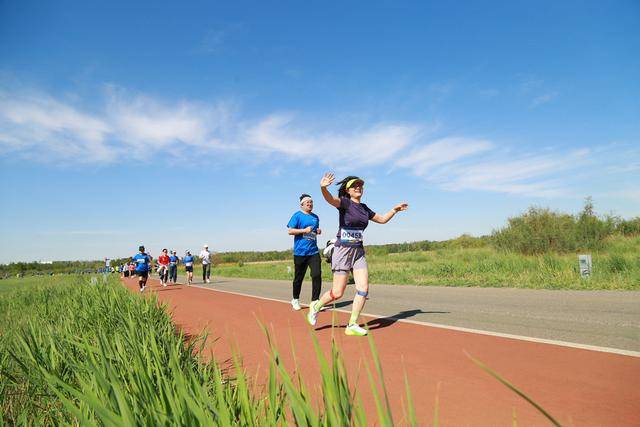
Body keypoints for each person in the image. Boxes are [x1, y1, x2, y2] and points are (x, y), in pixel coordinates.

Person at [307, 173, 408, 336]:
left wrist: (394, 210)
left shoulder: (364, 208)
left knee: (363, 289)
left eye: (360, 185)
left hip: (358, 252)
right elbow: (331, 200)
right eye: (355, 185)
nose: (358, 187)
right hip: (343, 251)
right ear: (348, 190)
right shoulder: (345, 203)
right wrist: (323, 188)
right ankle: (316, 306)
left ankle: (352, 324)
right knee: (337, 293)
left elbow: (382, 220)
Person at [287, 193, 322, 311]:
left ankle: (315, 301)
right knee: (299, 278)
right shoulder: (297, 216)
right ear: (301, 205)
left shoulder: (316, 217)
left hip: (313, 251)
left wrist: (317, 231)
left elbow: (312, 232)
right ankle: (295, 299)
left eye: (311, 202)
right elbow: (290, 231)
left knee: (316, 275)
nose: (310, 204)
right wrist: (304, 230)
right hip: (300, 252)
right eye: (307, 202)